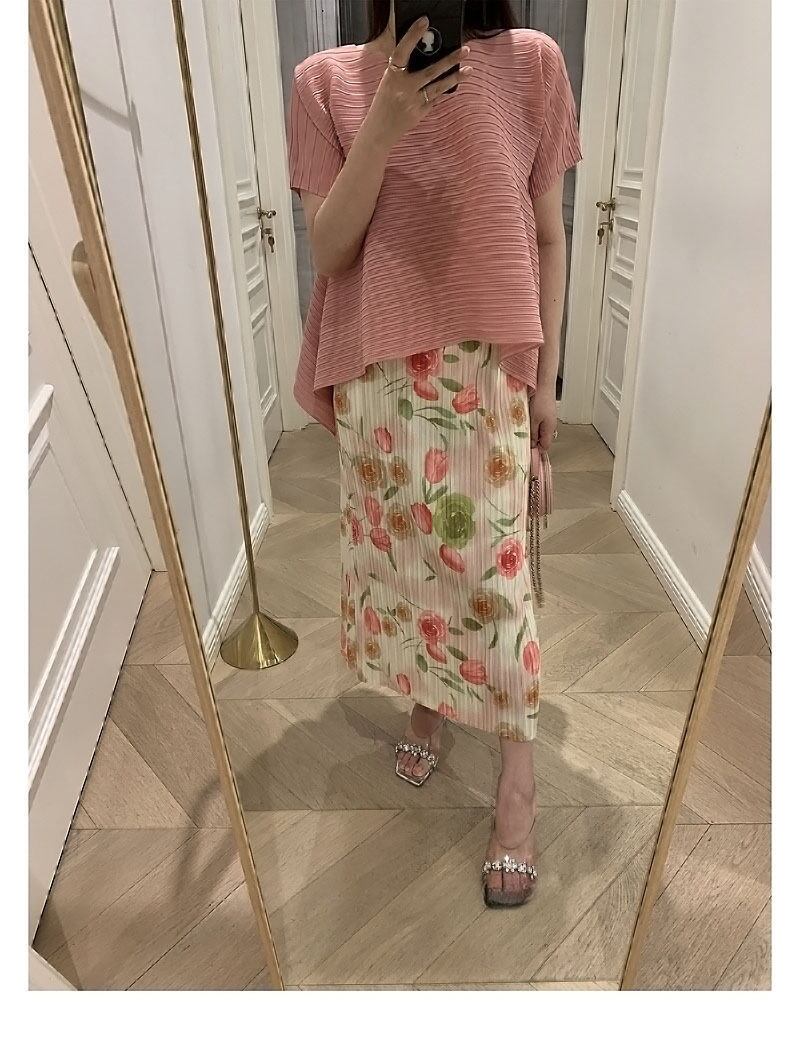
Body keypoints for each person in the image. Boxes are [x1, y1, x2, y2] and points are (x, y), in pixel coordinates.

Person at [288, 0, 581, 907]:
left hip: (486, 373)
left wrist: (545, 382)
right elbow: (330, 252)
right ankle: (429, 696)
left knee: (495, 584)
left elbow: (547, 236)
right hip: (380, 375)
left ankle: (519, 780)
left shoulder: (532, 63)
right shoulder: (325, 83)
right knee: (408, 565)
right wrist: (385, 121)